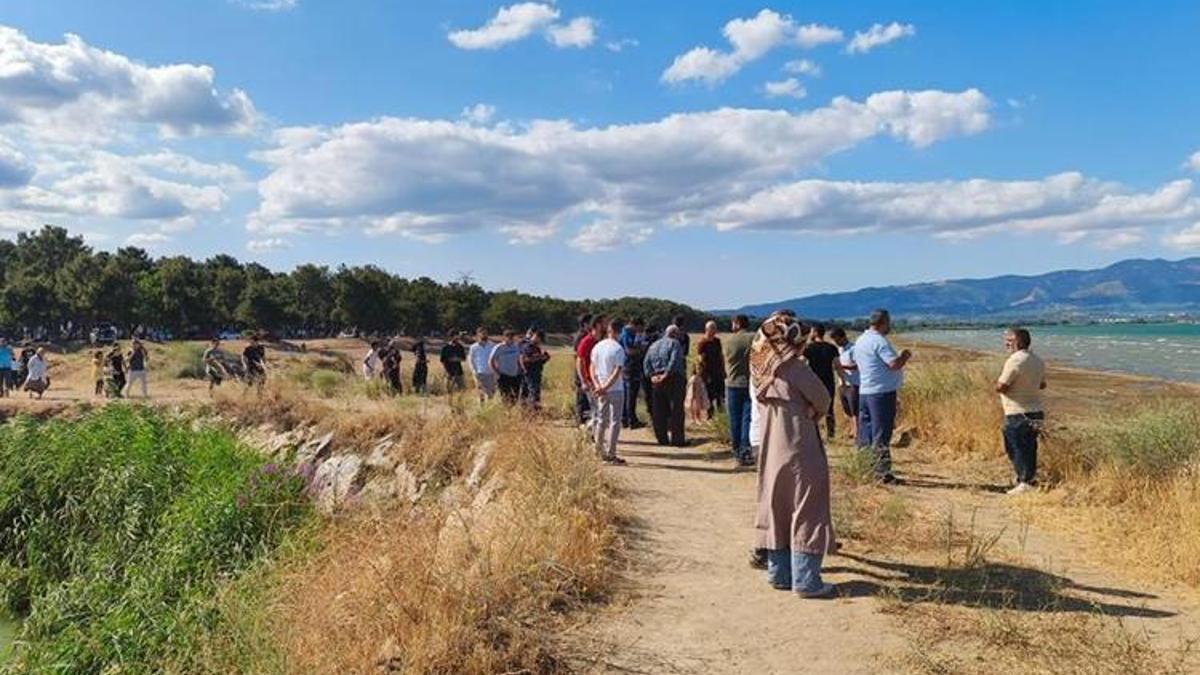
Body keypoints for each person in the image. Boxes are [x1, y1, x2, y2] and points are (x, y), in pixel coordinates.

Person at [751, 312, 837, 598]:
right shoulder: (795, 367)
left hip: (771, 446)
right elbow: (823, 397)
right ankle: (806, 579)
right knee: (807, 506)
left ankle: (779, 573)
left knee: (777, 505)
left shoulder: (760, 367)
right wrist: (813, 409)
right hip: (799, 444)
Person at [852, 309, 911, 484]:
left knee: (866, 433)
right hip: (881, 393)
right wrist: (904, 356)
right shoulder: (879, 341)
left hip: (865, 391)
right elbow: (893, 364)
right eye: (889, 322)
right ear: (883, 322)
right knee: (881, 434)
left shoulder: (861, 340)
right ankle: (882, 473)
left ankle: (865, 468)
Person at [996, 327, 1046, 495]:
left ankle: (1025, 482)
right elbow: (1042, 384)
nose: (1006, 343)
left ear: (1018, 342)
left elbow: (1001, 386)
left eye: (1009, 340)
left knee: (1016, 448)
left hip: (1017, 411)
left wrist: (1002, 387)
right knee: (1029, 447)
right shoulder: (1038, 360)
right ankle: (1026, 480)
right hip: (1036, 410)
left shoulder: (1014, 360)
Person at [590, 319, 628, 465]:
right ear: (619, 332)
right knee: (614, 422)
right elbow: (617, 371)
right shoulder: (618, 349)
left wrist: (598, 385)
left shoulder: (598, 346)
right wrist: (606, 386)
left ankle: (598, 451)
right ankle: (611, 453)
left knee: (601, 420)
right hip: (615, 389)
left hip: (600, 388)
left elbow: (592, 367)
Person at [644, 325, 687, 447]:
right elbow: (674, 361)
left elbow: (646, 362)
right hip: (673, 379)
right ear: (674, 334)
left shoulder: (653, 345)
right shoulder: (675, 344)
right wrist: (666, 374)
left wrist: (651, 375)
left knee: (659, 410)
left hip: (656, 380)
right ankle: (677, 439)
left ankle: (662, 438)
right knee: (676, 410)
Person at [724, 315, 755, 466]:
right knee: (747, 418)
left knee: (734, 418)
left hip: (732, 383)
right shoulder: (753, 338)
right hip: (749, 383)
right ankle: (745, 450)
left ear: (736, 324)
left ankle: (736, 449)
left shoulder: (729, 340)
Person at [802, 324, 839, 439]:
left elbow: (801, 362)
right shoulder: (832, 348)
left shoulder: (809, 348)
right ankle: (831, 433)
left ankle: (814, 432)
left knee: (811, 407)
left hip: (814, 381)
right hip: (829, 380)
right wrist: (842, 380)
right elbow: (838, 365)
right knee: (829, 407)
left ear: (815, 333)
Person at [576, 316, 606, 431]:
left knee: (599, 411)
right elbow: (580, 360)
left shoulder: (601, 341)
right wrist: (583, 381)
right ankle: (590, 434)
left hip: (599, 381)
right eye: (604, 323)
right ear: (598, 325)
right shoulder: (587, 341)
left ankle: (591, 433)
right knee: (596, 410)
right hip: (590, 381)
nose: (606, 325)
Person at [830, 327, 859, 442]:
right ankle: (853, 429)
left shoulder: (853, 349)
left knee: (855, 409)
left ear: (843, 337)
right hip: (842, 383)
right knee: (847, 410)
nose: (836, 342)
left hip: (853, 382)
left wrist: (842, 367)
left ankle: (857, 432)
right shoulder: (838, 350)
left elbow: (857, 365)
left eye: (837, 339)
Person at [618, 318, 647, 428]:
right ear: (636, 325)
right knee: (631, 394)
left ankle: (626, 418)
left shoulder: (625, 333)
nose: (641, 330)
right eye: (641, 327)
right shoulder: (628, 334)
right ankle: (631, 420)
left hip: (628, 367)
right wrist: (641, 349)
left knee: (628, 394)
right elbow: (630, 351)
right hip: (630, 367)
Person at [696, 320, 726, 417]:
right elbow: (699, 358)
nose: (714, 331)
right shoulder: (702, 342)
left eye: (715, 329)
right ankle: (710, 414)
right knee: (709, 393)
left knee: (720, 393)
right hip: (708, 372)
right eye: (712, 329)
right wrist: (702, 373)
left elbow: (721, 356)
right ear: (707, 329)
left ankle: (721, 413)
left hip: (718, 370)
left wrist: (723, 369)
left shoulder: (717, 341)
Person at [489, 329, 524, 404]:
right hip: (503, 375)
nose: (511, 339)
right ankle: (507, 411)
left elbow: (519, 359)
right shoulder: (499, 347)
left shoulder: (516, 347)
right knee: (506, 397)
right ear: (504, 337)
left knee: (515, 396)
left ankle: (513, 411)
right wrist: (496, 373)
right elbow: (491, 361)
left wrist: (520, 370)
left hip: (515, 375)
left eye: (512, 337)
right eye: (509, 337)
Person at [520, 329, 551, 408]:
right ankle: (533, 410)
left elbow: (541, 360)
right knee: (533, 392)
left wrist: (545, 358)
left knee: (529, 392)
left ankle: (529, 409)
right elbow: (526, 359)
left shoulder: (537, 347)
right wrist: (539, 357)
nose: (540, 341)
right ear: (536, 336)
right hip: (530, 373)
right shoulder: (527, 346)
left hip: (536, 372)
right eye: (539, 339)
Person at [572, 314, 594, 425]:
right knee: (582, 399)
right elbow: (579, 356)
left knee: (585, 399)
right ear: (585, 323)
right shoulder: (581, 336)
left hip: (584, 371)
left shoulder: (583, 335)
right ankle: (581, 422)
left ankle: (583, 421)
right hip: (581, 372)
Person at [468, 328, 496, 403]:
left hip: (490, 372)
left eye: (485, 333)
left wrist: (495, 370)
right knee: (481, 392)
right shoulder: (473, 347)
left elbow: (496, 358)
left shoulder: (492, 345)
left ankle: (490, 406)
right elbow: (471, 360)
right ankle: (482, 406)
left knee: (491, 392)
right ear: (478, 335)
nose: (484, 335)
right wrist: (474, 370)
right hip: (479, 372)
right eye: (482, 333)